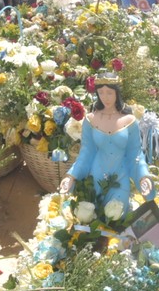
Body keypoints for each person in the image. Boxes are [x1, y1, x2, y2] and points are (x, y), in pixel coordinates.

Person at [59, 74, 153, 209]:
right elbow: (86, 153)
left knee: (119, 213)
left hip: (120, 177)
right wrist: (71, 176)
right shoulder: (90, 119)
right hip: (96, 177)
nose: (105, 97)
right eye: (101, 92)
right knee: (94, 215)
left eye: (109, 92)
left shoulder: (130, 121)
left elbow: (135, 154)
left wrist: (143, 177)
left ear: (117, 92)